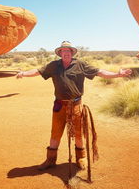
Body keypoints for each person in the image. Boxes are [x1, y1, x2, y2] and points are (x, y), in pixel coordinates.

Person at [16, 41, 132, 171]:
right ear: (60, 53)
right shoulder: (54, 65)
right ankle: (50, 160)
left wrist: (118, 74)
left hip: (76, 104)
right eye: (63, 51)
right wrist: (23, 73)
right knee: (55, 132)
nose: (66, 53)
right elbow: (38, 71)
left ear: (72, 53)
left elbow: (99, 72)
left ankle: (80, 158)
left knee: (78, 132)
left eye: (68, 51)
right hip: (59, 105)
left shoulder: (80, 65)